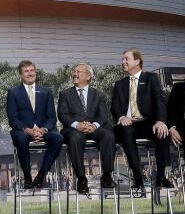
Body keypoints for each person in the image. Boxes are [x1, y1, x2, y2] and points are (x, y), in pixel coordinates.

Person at [111, 49, 172, 188]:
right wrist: (121, 117)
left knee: (162, 132)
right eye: (122, 59)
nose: (123, 62)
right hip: (127, 124)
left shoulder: (151, 78)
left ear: (137, 61)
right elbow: (114, 106)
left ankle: (162, 176)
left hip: (146, 123)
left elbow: (159, 100)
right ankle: (137, 175)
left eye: (126, 59)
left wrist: (161, 121)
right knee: (126, 131)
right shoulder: (119, 84)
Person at [57, 63, 115, 195]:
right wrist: (77, 124)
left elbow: (103, 115)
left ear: (88, 76)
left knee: (109, 136)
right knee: (75, 138)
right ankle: (81, 179)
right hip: (74, 129)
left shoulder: (98, 94)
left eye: (78, 71)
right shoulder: (65, 94)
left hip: (94, 128)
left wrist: (94, 125)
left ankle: (107, 175)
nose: (74, 74)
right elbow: (62, 114)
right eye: (74, 71)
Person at [6, 60, 63, 189]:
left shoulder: (46, 91)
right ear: (21, 75)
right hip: (23, 131)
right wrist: (28, 130)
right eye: (26, 71)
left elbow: (51, 117)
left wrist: (42, 130)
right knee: (21, 138)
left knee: (58, 138)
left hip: (43, 130)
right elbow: (12, 118)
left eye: (32, 70)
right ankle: (27, 175)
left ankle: (41, 174)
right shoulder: (13, 92)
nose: (30, 73)